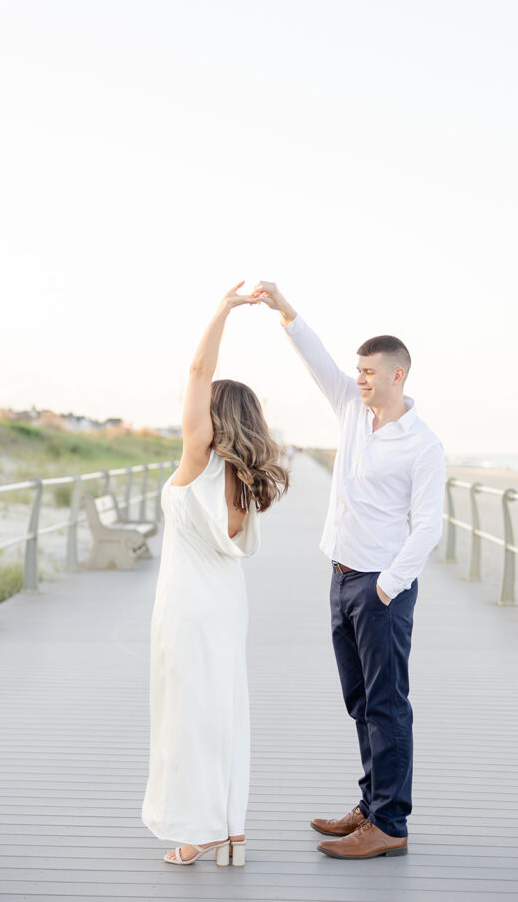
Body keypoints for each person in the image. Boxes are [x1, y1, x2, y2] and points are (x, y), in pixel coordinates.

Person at [253, 280, 445, 860]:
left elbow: (429, 526)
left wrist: (387, 586)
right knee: (360, 701)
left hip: (380, 588)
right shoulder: (351, 413)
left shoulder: (423, 445)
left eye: (369, 371)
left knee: (388, 705)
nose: (358, 378)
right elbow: (315, 358)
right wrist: (285, 309)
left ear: (397, 376)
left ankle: (390, 824)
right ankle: (370, 804)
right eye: (356, 370)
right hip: (340, 578)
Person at [141, 282, 289, 867]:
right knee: (225, 712)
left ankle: (199, 832)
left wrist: (223, 309)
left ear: (212, 416)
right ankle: (231, 830)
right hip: (227, 608)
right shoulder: (245, 480)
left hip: (188, 610)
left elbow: (199, 368)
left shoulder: (197, 460)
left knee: (187, 717)